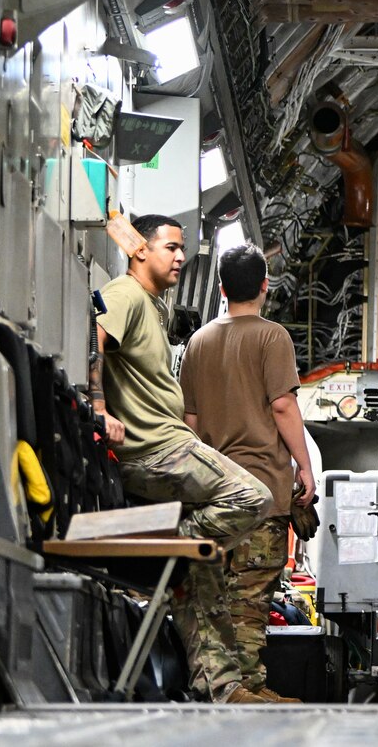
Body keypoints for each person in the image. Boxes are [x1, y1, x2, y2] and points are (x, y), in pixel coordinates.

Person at [94, 213, 272, 703]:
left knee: (204, 571)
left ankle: (223, 687)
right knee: (253, 496)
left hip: (169, 447)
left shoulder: (155, 307)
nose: (179, 257)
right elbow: (96, 337)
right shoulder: (125, 295)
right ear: (139, 250)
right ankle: (175, 547)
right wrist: (99, 407)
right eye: (170, 247)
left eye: (182, 249)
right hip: (155, 451)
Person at [177, 242, 315, 704]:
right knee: (250, 600)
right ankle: (247, 690)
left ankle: (227, 687)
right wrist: (305, 466)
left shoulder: (197, 342)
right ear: (265, 285)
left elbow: (190, 424)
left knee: (216, 597)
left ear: (219, 288)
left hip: (213, 495)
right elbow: (282, 405)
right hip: (261, 494)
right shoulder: (272, 337)